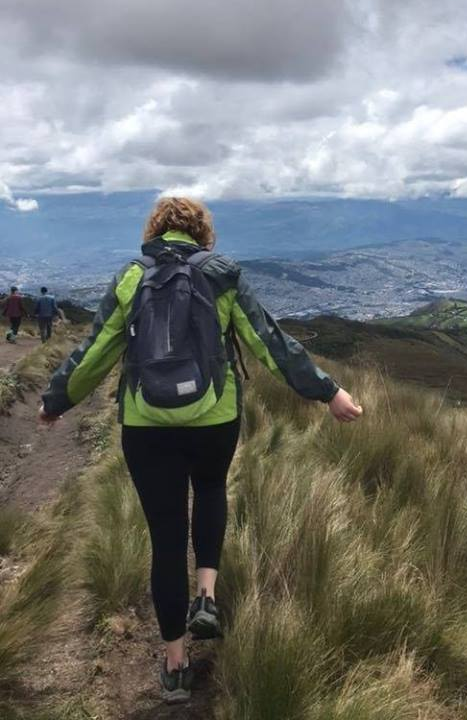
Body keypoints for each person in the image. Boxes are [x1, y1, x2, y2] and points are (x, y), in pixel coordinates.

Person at [38, 197, 363, 704]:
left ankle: (174, 666)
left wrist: (57, 400)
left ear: (155, 231)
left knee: (166, 539)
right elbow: (270, 343)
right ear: (202, 233)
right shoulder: (223, 274)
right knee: (211, 488)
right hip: (214, 417)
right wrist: (328, 392)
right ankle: (206, 595)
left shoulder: (131, 276)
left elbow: (96, 348)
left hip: (146, 426)